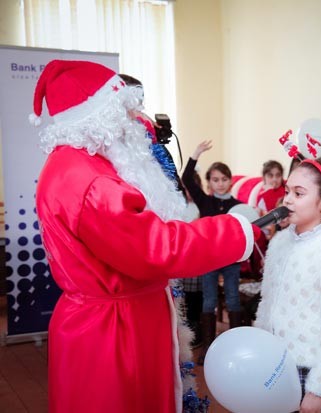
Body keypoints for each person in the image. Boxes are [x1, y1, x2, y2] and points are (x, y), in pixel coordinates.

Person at [31, 60, 257, 413]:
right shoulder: (93, 182)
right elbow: (158, 248)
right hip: (115, 333)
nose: (136, 120)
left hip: (104, 322)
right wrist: (236, 230)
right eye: (126, 111)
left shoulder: (73, 163)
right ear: (101, 116)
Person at [255, 155, 321, 413]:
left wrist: (317, 390)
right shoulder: (280, 242)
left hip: (313, 372)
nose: (288, 200)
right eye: (287, 191)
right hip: (276, 365)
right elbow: (267, 303)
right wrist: (261, 351)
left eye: (299, 193)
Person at [181, 140, 246, 362]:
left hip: (232, 260)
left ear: (230, 181)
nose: (220, 183)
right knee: (209, 302)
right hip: (209, 260)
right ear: (209, 182)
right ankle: (208, 346)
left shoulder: (238, 206)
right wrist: (196, 154)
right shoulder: (205, 201)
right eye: (215, 179)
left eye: (224, 179)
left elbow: (246, 229)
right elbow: (186, 178)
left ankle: (235, 345)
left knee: (233, 300)